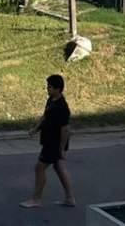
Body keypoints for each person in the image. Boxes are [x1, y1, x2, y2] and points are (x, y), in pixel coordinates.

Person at [21, 73, 75, 209]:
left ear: (58, 89)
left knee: (39, 168)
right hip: (49, 140)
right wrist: (35, 129)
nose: (47, 89)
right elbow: (45, 117)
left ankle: (36, 199)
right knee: (59, 167)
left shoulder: (62, 107)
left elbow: (65, 130)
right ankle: (70, 198)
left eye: (50, 87)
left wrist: (61, 149)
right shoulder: (51, 100)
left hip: (54, 143)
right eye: (47, 86)